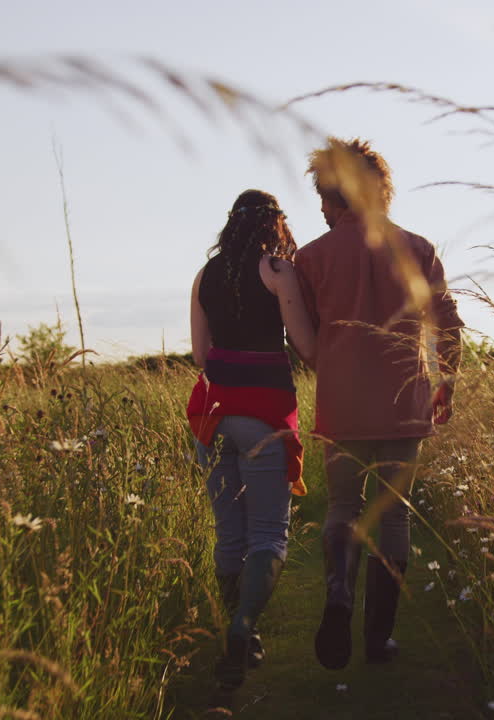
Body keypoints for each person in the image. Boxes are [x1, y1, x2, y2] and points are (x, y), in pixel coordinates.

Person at [293, 138, 464, 669]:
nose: (320, 208)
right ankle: (378, 640)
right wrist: (446, 383)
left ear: (336, 195)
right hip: (403, 402)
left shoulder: (311, 258)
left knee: (343, 507)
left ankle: (340, 593)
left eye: (323, 197)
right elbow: (449, 325)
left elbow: (304, 336)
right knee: (392, 518)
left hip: (342, 404)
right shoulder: (416, 248)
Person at [186, 189, 316, 691]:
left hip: (213, 416)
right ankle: (243, 628)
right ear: (275, 223)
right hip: (265, 415)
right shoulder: (278, 271)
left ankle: (238, 632)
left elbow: (201, 355)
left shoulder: (204, 276)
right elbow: (304, 344)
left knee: (230, 535)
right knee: (268, 536)